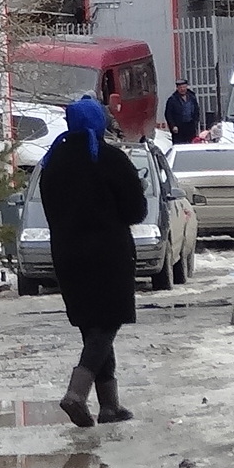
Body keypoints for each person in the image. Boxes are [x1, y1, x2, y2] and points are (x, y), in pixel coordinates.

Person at [35, 96, 148, 428]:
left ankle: (110, 406)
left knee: (93, 329)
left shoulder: (52, 163)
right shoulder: (110, 159)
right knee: (107, 325)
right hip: (108, 256)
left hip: (68, 257)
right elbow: (136, 211)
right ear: (99, 122)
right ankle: (76, 394)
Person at [163, 79, 202, 145]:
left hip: (190, 126)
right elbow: (168, 114)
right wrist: (173, 126)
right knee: (180, 145)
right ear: (177, 88)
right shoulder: (172, 99)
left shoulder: (192, 97)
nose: (182, 89)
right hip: (179, 128)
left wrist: (195, 122)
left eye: (184, 87)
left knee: (191, 144)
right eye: (180, 87)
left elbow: (196, 110)